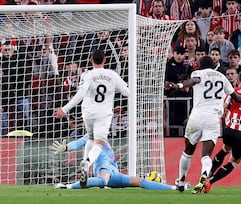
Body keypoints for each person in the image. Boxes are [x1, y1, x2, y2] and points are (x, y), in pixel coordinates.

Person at [165, 56, 241, 193]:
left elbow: (195, 81)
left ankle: (181, 182)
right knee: (206, 155)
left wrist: (179, 85)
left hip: (197, 115)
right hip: (213, 118)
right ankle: (204, 177)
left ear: (200, 65)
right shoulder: (222, 77)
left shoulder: (198, 73)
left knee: (188, 151)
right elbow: (235, 96)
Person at [53, 49, 129, 188]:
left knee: (91, 139)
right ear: (104, 60)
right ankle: (87, 163)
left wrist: (64, 109)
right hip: (104, 114)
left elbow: (80, 94)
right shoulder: (112, 75)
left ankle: (85, 169)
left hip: (88, 113)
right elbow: (127, 92)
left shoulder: (87, 75)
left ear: (91, 60)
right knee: (99, 143)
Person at [50, 134, 181, 190]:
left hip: (114, 172)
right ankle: (68, 186)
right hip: (103, 168)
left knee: (139, 181)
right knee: (102, 180)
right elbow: (80, 142)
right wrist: (67, 147)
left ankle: (174, 187)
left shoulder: (103, 137)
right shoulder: (94, 135)